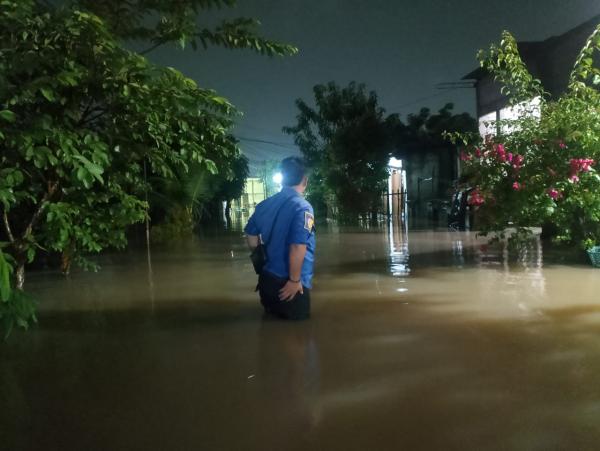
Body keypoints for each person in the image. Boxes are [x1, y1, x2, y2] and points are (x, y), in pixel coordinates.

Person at [244, 157, 316, 320]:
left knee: (270, 329)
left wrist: (261, 263)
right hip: (291, 287)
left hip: (267, 282)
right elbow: (297, 247)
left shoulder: (264, 205)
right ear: (305, 179)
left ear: (282, 178)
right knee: (298, 338)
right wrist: (294, 280)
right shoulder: (303, 207)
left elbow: (251, 234)